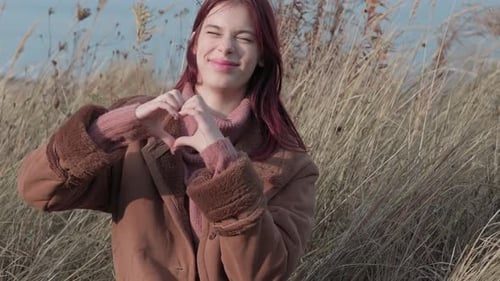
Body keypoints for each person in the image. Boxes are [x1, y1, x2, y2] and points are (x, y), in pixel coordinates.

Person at [17, 0, 319, 280]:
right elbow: (37, 190)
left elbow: (263, 272)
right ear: (193, 42)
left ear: (263, 54)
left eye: (244, 38)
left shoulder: (289, 164)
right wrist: (114, 128)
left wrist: (222, 160)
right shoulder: (139, 128)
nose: (226, 47)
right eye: (213, 32)